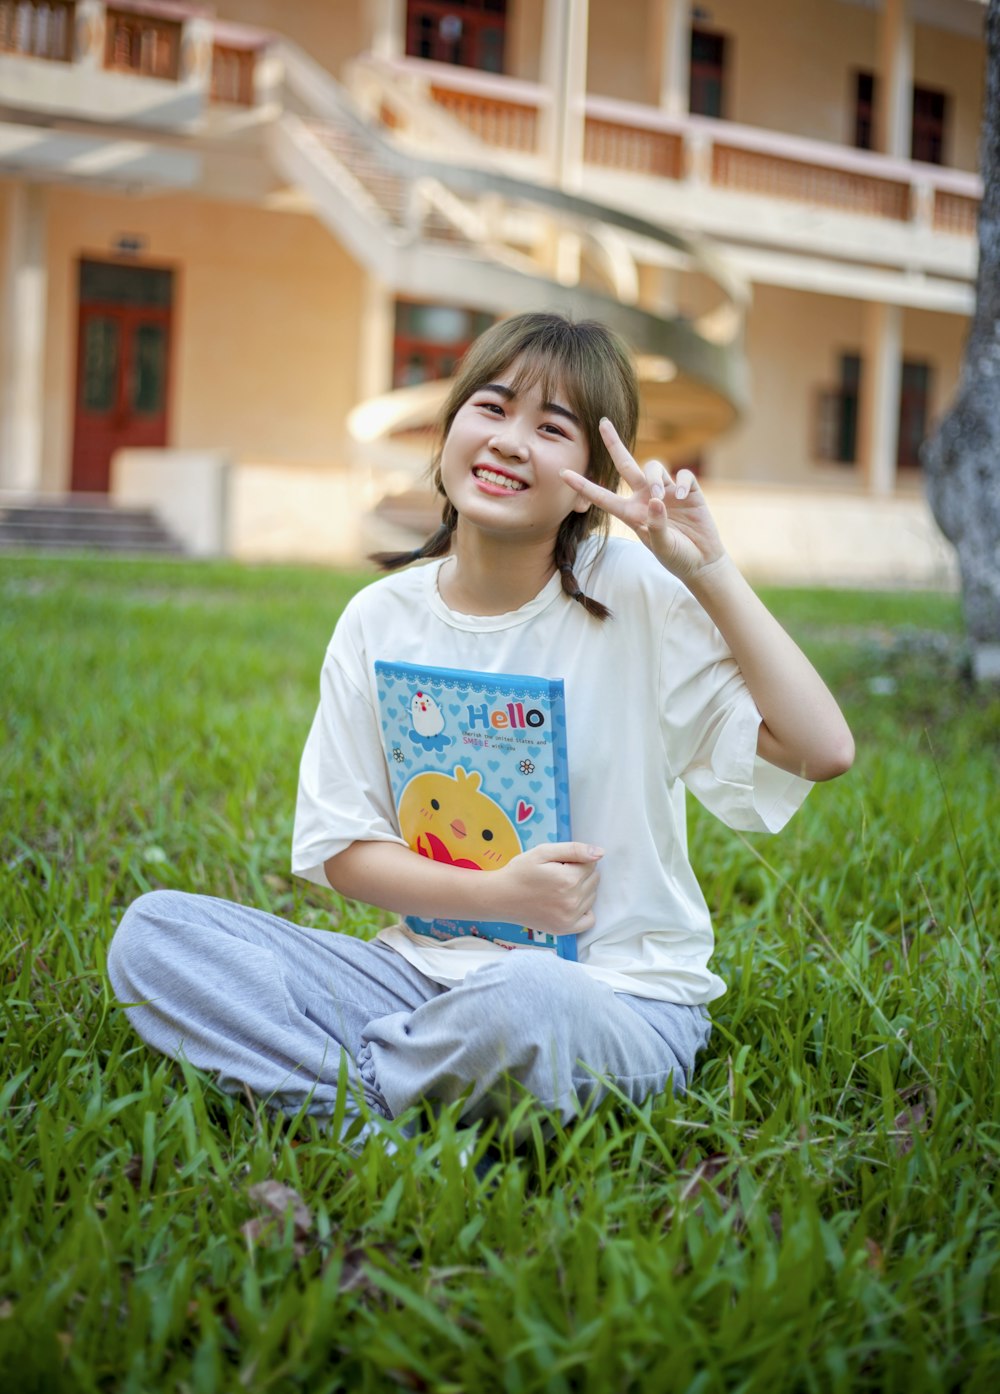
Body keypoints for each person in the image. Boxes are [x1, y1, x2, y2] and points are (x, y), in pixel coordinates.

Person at [108, 312, 853, 1144]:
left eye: (552, 427)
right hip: (413, 980)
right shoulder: (377, 619)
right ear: (452, 425)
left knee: (528, 1000)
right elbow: (346, 851)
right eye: (492, 409)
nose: (509, 442)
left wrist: (707, 569)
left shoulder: (633, 592)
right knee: (157, 935)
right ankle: (387, 1102)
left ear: (591, 475)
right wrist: (494, 896)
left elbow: (821, 749)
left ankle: (337, 1092)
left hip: (611, 999)